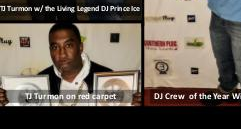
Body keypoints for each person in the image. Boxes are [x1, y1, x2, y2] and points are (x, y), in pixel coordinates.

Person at [0, 23, 141, 106]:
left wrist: (133, 103)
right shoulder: (40, 81)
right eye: (55, 47)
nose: (61, 54)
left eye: (68, 45)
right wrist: (7, 100)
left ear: (80, 47)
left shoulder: (106, 77)